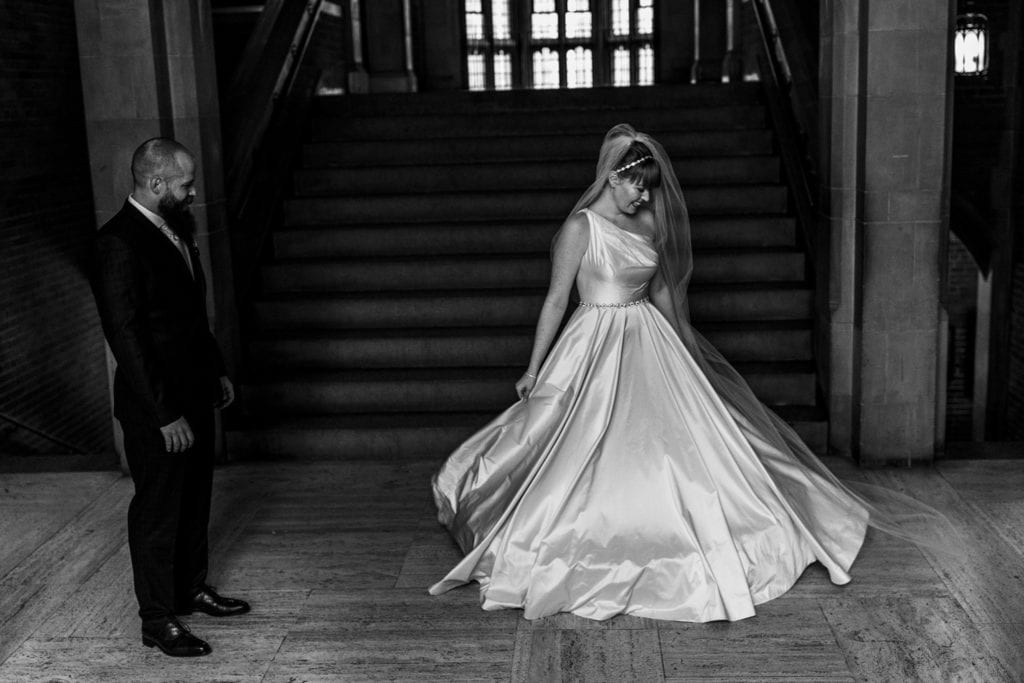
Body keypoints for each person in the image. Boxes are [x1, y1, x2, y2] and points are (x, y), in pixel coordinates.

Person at [429, 123, 930, 623]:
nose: (644, 194)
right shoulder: (580, 228)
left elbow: (662, 290)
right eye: (636, 184)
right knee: (577, 443)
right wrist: (533, 369)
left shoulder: (647, 222)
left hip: (650, 339)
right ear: (611, 177)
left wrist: (685, 347)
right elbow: (557, 299)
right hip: (592, 343)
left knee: (687, 444)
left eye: (649, 185)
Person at [91, 138, 249, 656]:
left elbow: (187, 316)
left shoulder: (176, 230)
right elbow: (126, 337)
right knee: (158, 509)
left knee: (195, 496)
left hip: (195, 391)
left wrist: (216, 371)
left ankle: (189, 588)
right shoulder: (119, 242)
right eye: (184, 184)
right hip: (156, 408)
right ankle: (158, 619)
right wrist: (165, 414)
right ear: (156, 184)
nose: (193, 191)